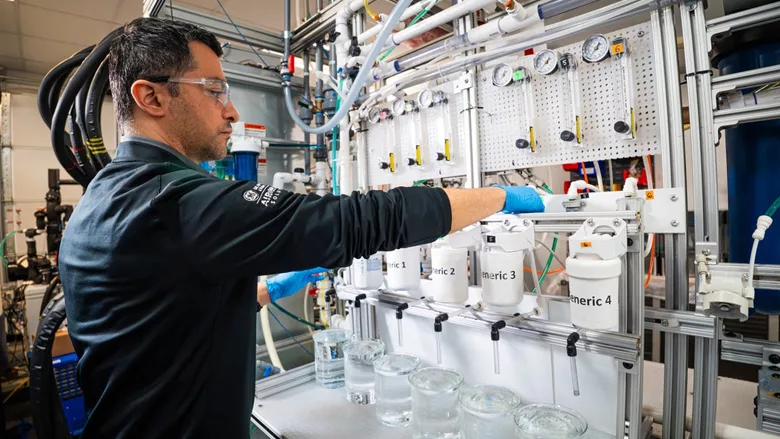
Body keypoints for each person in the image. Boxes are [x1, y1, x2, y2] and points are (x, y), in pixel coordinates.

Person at [57, 17, 545, 439]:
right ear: (151, 96)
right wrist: (497, 197)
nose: (231, 111)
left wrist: (262, 292)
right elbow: (359, 219)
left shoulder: (105, 198)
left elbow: (163, 313)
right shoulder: (176, 202)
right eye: (215, 91)